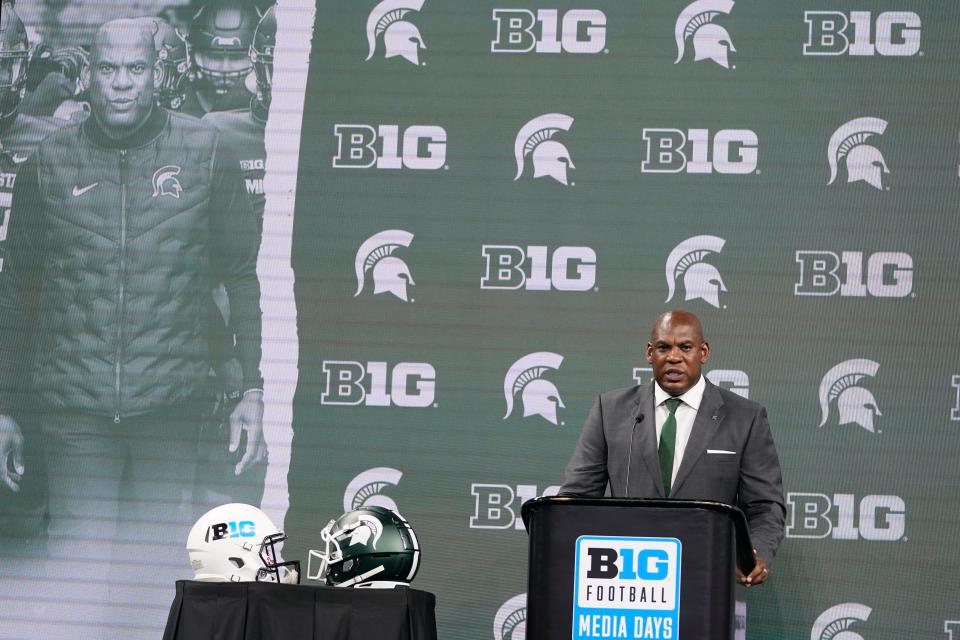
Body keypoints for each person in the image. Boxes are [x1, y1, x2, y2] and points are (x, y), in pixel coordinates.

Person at [0, 18, 264, 637]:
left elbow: (241, 275)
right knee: (79, 571)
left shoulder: (205, 152)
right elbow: (17, 292)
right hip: (73, 408)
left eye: (136, 69)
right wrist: (6, 407)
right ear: (88, 74)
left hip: (169, 403)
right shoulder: (49, 161)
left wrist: (252, 386)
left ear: (158, 74)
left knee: (152, 583)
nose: (122, 85)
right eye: (109, 70)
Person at [560, 310, 785, 587]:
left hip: (706, 578)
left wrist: (755, 555)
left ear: (703, 352)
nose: (674, 357)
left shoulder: (744, 417)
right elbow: (576, 498)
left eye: (685, 347)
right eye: (663, 347)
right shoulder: (611, 411)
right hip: (626, 581)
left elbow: (764, 506)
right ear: (649, 353)